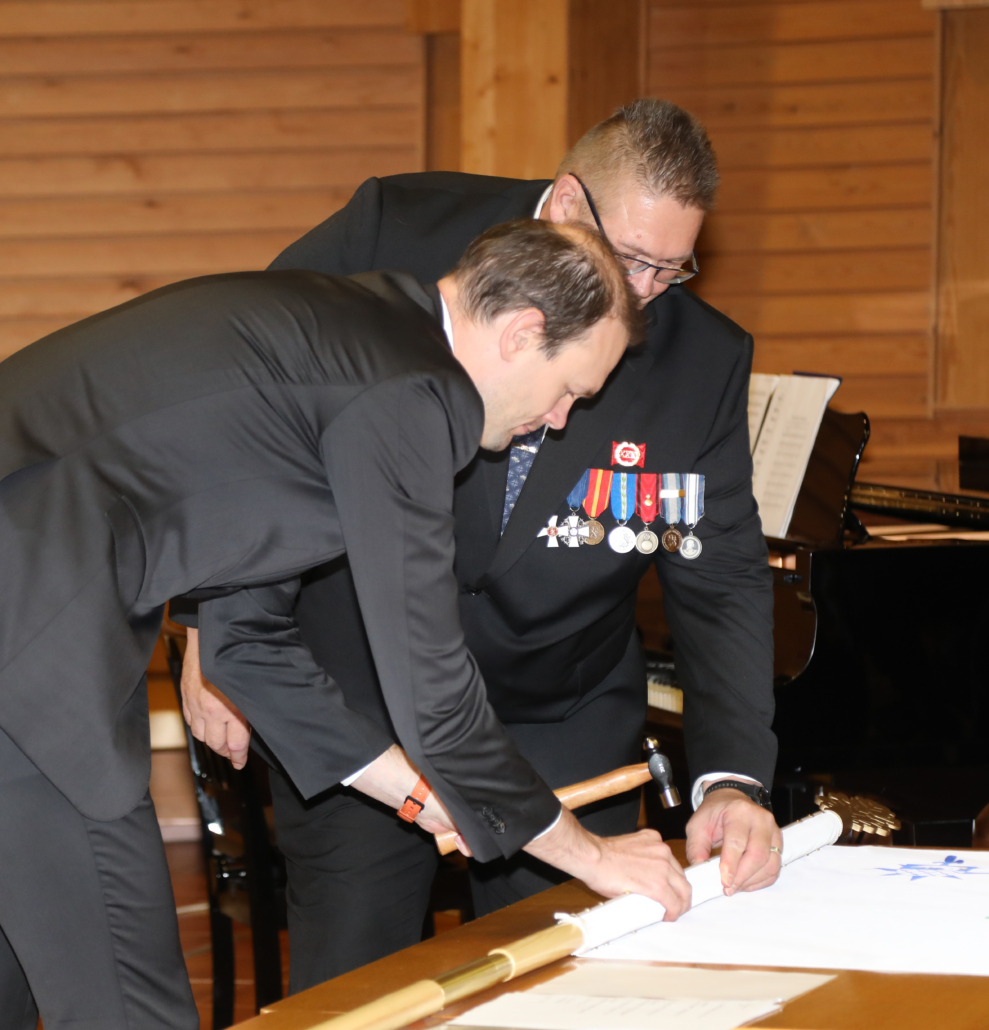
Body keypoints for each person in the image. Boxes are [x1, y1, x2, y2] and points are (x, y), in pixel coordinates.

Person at [0, 219, 682, 1030]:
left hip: (34, 611)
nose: (561, 418)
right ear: (521, 333)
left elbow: (247, 647)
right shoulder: (410, 391)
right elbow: (434, 692)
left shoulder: (356, 343)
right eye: (569, 388)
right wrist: (591, 855)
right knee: (125, 997)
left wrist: (417, 796)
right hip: (31, 632)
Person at [180, 98, 783, 992]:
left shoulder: (700, 359)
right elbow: (250, 409)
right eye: (632, 259)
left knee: (572, 990)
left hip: (560, 712)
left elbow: (720, 578)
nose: (647, 291)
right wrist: (214, 628)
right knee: (361, 991)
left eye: (672, 267)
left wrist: (732, 781)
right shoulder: (393, 231)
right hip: (364, 702)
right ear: (568, 204)